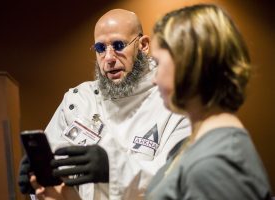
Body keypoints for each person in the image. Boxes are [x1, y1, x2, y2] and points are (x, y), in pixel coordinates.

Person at [28, 3, 273, 200]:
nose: (154, 78)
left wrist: (111, 168)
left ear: (191, 69)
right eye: (100, 48)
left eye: (161, 63)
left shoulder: (215, 163)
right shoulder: (209, 146)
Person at [18, 8, 190, 200]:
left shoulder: (174, 104)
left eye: (118, 45)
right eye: (100, 48)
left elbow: (176, 179)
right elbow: (58, 178)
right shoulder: (79, 100)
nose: (108, 58)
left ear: (143, 45)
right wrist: (38, 179)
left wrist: (113, 169)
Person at [146, 4, 272, 199]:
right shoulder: (202, 142)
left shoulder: (216, 164)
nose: (154, 79)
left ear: (187, 64)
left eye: (157, 63)